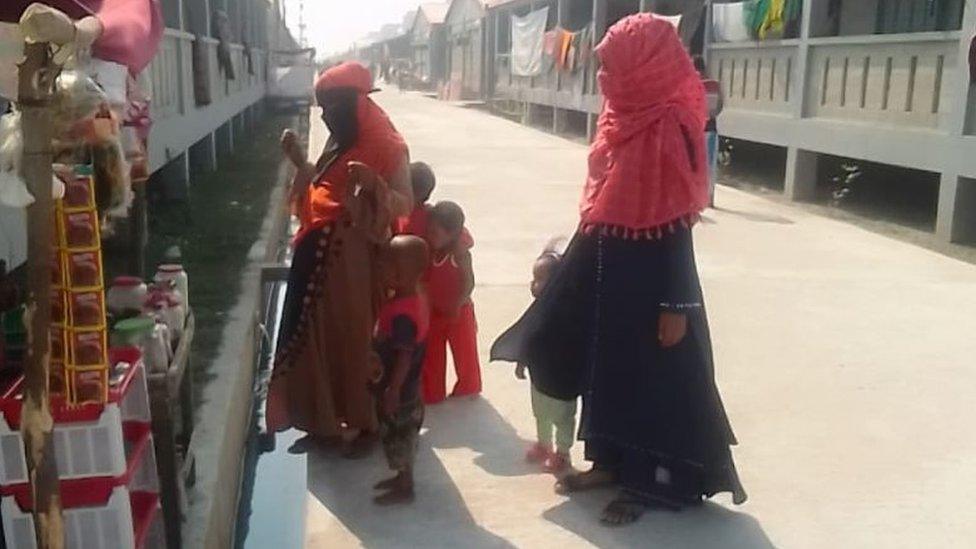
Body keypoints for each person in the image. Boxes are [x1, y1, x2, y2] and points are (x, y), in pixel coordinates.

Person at [496, 15, 746, 526]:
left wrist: (677, 304)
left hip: (655, 289)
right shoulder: (620, 117)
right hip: (611, 274)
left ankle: (652, 482)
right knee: (604, 372)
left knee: (651, 383)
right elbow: (602, 208)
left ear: (644, 65)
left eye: (612, 65)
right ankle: (611, 463)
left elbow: (677, 221)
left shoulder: (670, 123)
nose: (604, 76)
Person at [267, 61, 414, 458]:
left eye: (333, 107)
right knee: (309, 341)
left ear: (355, 103)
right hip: (315, 256)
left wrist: (376, 183)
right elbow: (325, 188)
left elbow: (405, 200)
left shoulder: (386, 144)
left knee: (349, 342)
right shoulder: (342, 139)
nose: (327, 117)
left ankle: (363, 424)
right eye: (323, 109)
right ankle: (322, 422)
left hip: (351, 266)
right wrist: (300, 161)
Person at [492, 236, 576, 474]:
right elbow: (528, 336)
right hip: (539, 376)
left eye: (539, 280)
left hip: (562, 379)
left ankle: (562, 453)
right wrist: (522, 361)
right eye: (533, 278)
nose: (533, 285)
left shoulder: (567, 314)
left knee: (563, 417)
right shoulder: (537, 310)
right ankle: (543, 444)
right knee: (541, 414)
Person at [371, 235, 430, 505]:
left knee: (399, 437)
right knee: (400, 435)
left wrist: (392, 390)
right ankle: (401, 478)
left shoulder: (404, 316)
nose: (383, 270)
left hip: (401, 390)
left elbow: (404, 356)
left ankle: (405, 486)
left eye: (391, 267)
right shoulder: (411, 298)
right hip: (407, 387)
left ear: (409, 274)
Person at [421, 201, 482, 404]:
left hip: (459, 312)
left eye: (437, 234)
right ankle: (433, 392)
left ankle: (468, 388)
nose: (432, 237)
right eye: (430, 231)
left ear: (453, 234)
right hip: (435, 312)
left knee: (465, 355)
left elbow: (469, 283)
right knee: (433, 355)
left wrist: (458, 304)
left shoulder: (460, 254)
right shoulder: (428, 249)